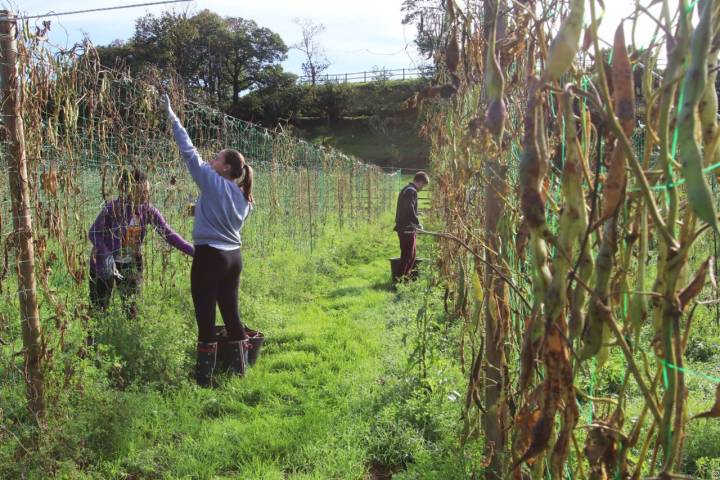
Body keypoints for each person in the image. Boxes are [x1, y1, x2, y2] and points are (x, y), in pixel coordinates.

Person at [162, 94, 254, 387]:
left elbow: (189, 152)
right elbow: (224, 217)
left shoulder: (212, 182)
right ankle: (240, 372)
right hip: (233, 258)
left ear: (226, 168)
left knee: (205, 315)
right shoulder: (244, 197)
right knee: (231, 312)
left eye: (216, 158)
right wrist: (200, 209)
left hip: (210, 257)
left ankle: (204, 380)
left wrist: (172, 116)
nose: (210, 160)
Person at [88, 168, 194, 319]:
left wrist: (194, 251)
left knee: (131, 309)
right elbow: (93, 232)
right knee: (99, 308)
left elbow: (168, 234)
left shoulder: (148, 210)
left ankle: (129, 335)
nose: (146, 195)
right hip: (104, 264)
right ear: (126, 190)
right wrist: (106, 255)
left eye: (147, 191)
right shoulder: (113, 208)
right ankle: (94, 340)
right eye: (142, 192)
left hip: (130, 264)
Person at [394, 171, 429, 279]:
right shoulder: (411, 191)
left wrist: (416, 214)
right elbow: (409, 208)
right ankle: (400, 281)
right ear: (420, 182)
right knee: (408, 256)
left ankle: (404, 279)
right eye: (423, 185)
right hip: (406, 229)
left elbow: (407, 208)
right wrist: (417, 223)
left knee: (411, 254)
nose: (422, 188)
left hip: (404, 227)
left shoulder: (406, 189)